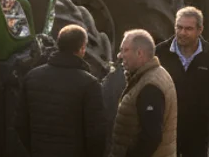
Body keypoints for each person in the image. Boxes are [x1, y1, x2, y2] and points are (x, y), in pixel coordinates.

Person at [16, 24, 108, 157]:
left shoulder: (32, 77)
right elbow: (96, 133)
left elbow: (20, 124)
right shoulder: (89, 84)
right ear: (82, 48)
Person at [155, 7, 209, 157]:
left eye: (188, 29)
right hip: (167, 130)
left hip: (198, 132)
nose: (182, 32)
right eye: (179, 27)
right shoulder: (160, 53)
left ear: (200, 30)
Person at [112, 29, 178, 157]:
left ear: (139, 53)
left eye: (125, 50)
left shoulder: (150, 85)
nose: (120, 55)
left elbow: (151, 137)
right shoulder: (154, 74)